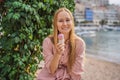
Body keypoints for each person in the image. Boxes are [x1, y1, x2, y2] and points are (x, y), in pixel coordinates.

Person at [37, 7, 85, 80]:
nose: (65, 24)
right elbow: (51, 70)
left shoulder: (79, 43)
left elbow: (76, 72)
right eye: (60, 21)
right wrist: (58, 54)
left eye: (68, 20)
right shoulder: (47, 42)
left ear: (72, 22)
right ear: (56, 24)